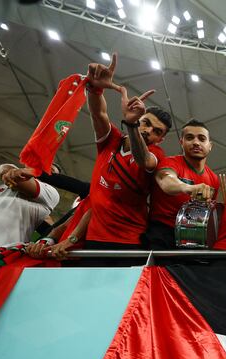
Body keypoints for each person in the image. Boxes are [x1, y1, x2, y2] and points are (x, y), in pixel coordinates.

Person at [82, 52, 171, 255]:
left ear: (160, 139)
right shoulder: (110, 140)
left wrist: (131, 123)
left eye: (157, 131)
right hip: (94, 239)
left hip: (129, 244)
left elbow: (143, 160)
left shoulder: (157, 155)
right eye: (146, 123)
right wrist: (95, 89)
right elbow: (98, 113)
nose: (149, 131)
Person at [146, 119, 218, 249]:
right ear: (181, 142)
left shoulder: (214, 179)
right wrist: (189, 188)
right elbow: (166, 181)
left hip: (193, 236)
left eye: (201, 139)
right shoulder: (169, 163)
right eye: (190, 138)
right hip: (162, 233)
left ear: (210, 145)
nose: (196, 142)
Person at [0, 164, 59, 251]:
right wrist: (4, 169)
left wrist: (8, 172)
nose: (44, 171)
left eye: (51, 171)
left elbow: (16, 179)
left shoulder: (51, 193)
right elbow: (5, 168)